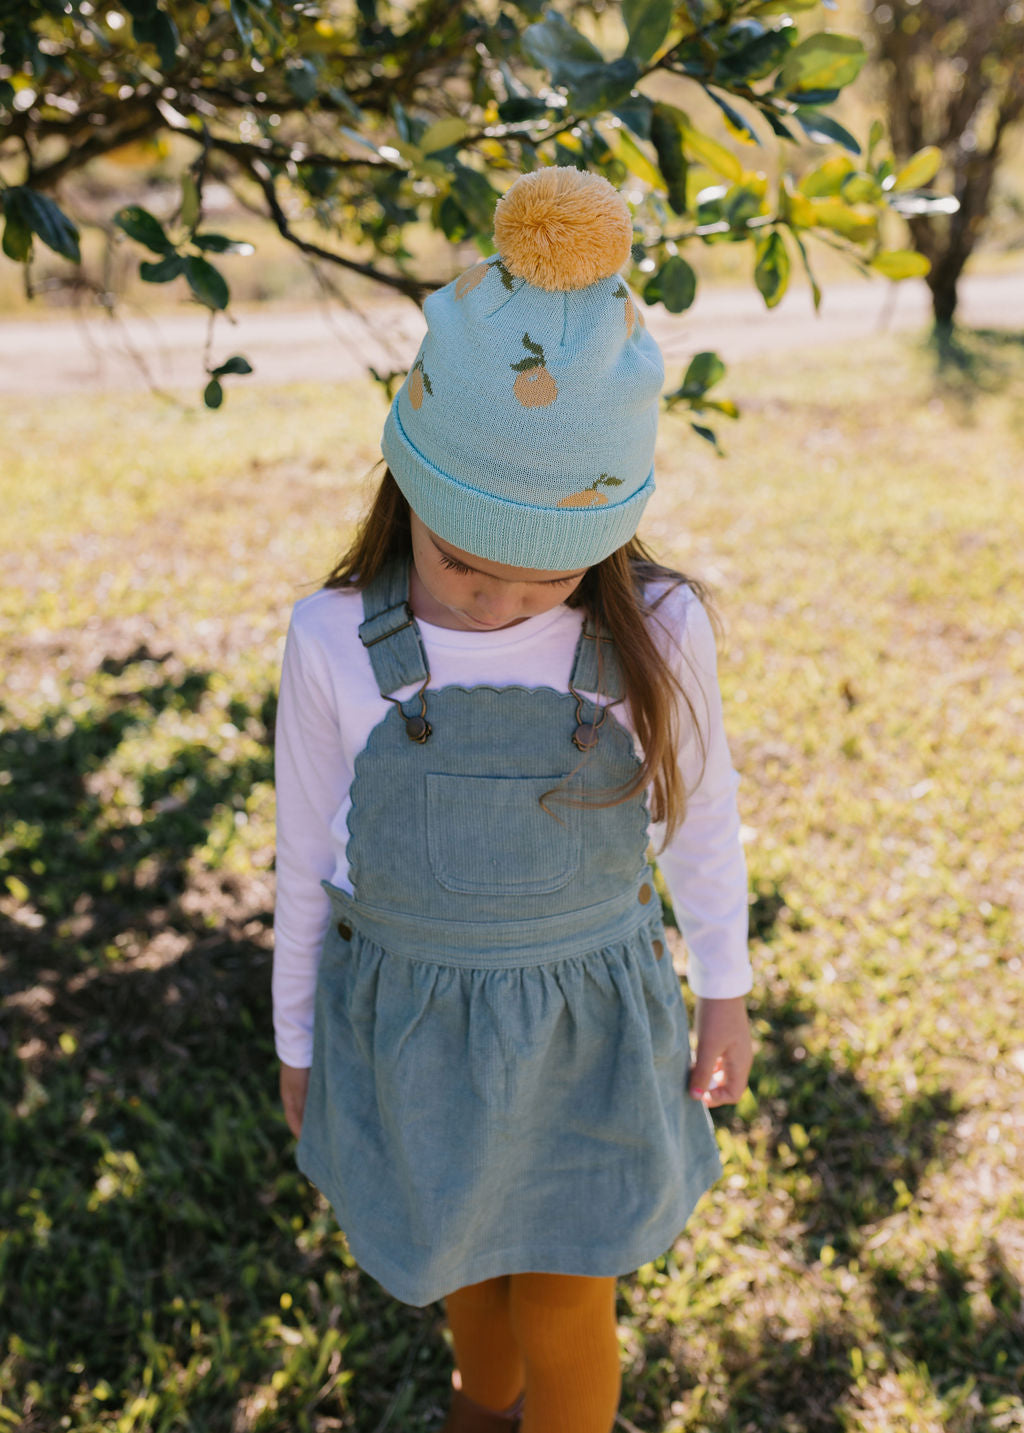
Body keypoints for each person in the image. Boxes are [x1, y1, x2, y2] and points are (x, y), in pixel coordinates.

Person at [273, 166, 754, 1433]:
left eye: (538, 582)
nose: (488, 600)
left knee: (565, 1290)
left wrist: (725, 987)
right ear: (410, 491)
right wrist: (296, 1037)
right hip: (415, 1021)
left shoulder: (655, 626)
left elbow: (700, 819)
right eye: (459, 560)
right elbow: (301, 852)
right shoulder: (331, 639)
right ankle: (477, 1410)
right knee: (463, 1267)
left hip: (586, 1025)